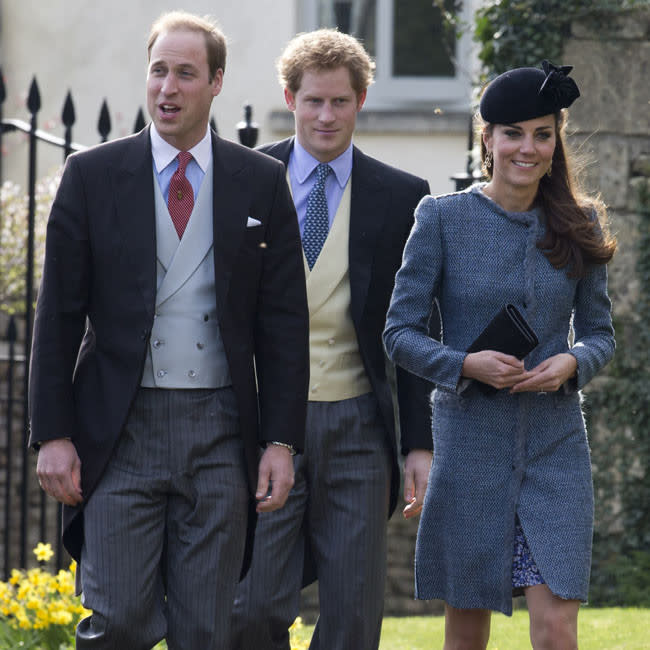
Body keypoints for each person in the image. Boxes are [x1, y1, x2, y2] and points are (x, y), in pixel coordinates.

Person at [29, 10, 309, 649]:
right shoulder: (91, 174)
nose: (167, 88)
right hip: (120, 431)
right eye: (158, 71)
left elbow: (285, 326)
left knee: (206, 629)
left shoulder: (260, 181)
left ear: (215, 83)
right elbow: (59, 316)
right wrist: (53, 433)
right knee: (118, 620)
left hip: (221, 431)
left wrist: (281, 444)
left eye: (186, 73)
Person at [383, 60, 617, 649]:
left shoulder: (578, 223)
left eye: (543, 134)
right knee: (466, 632)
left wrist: (572, 363)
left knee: (558, 628)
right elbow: (399, 332)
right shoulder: (441, 219)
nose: (528, 148)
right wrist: (464, 364)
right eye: (513, 133)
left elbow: (600, 334)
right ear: (486, 137)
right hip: (469, 449)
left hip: (556, 447)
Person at [230, 29, 435, 650]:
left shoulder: (403, 196)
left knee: (352, 617)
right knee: (253, 606)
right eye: (313, 101)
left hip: (359, 426)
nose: (326, 116)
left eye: (340, 102)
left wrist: (417, 446)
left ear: (362, 100)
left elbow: (413, 329)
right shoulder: (241, 178)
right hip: (267, 423)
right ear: (289, 98)